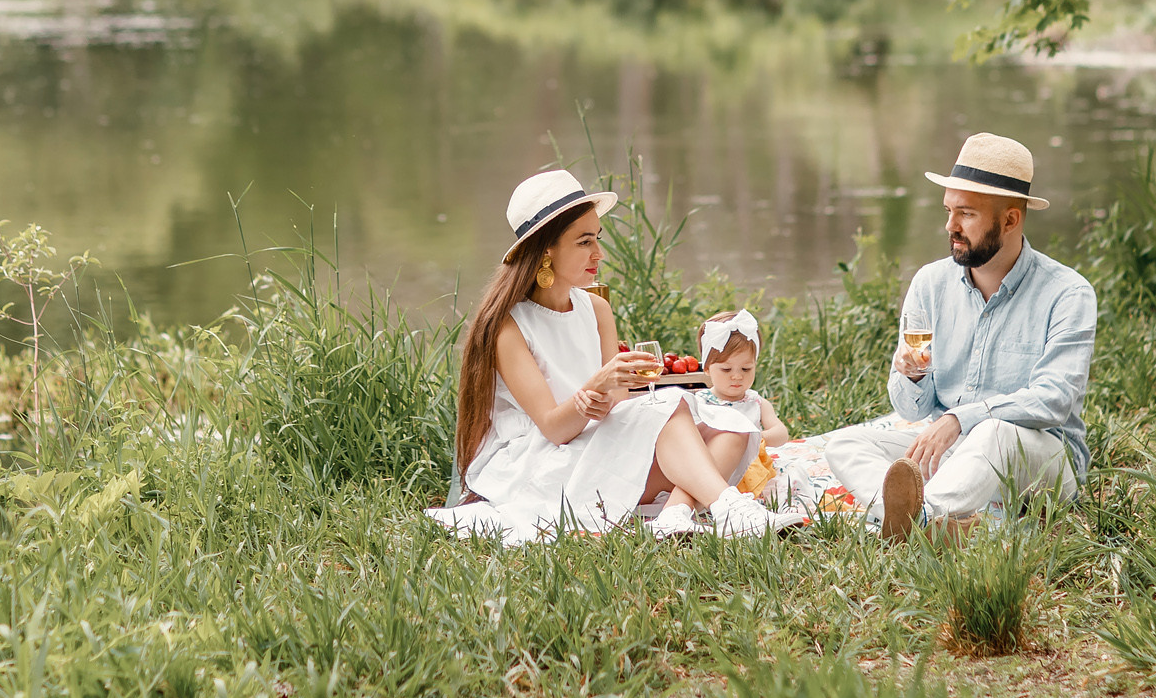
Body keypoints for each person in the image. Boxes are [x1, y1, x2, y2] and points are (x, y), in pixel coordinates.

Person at [427, 168, 775, 544]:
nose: (599, 254)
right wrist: (598, 386)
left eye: (597, 239)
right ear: (546, 251)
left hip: (593, 440)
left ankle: (676, 515)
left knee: (731, 428)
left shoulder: (596, 309)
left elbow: (621, 405)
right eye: (583, 242)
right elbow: (555, 429)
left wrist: (618, 390)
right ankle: (728, 507)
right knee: (674, 409)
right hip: (539, 462)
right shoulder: (509, 327)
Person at [818, 133, 1096, 541]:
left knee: (994, 432)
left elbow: (1052, 400)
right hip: (955, 459)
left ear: (1010, 220)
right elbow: (913, 410)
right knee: (845, 445)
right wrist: (913, 377)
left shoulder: (1067, 293)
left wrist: (958, 418)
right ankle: (930, 523)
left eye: (965, 213)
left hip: (1040, 461)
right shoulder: (930, 284)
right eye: (948, 211)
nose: (950, 226)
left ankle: (918, 518)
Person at [685, 308, 790, 486]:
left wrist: (755, 439)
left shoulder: (755, 402)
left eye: (746, 369)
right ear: (708, 369)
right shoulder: (700, 402)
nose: (737, 376)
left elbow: (781, 433)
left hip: (752, 468)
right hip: (717, 467)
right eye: (726, 369)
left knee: (787, 479)